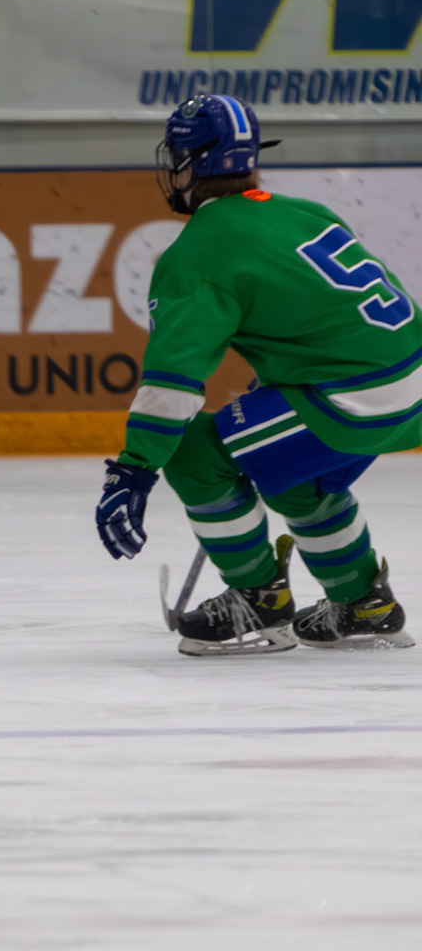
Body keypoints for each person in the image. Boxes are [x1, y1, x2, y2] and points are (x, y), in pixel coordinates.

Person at [95, 93, 415, 655]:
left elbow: (172, 382)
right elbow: (338, 317)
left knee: (195, 451)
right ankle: (364, 603)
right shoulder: (303, 212)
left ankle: (258, 600)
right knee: (296, 477)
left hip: (351, 400)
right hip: (409, 387)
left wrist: (134, 469)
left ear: (191, 165)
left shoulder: (198, 253)